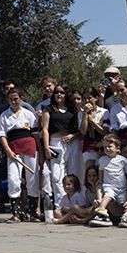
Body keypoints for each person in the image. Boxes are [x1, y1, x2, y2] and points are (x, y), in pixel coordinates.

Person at [0, 86, 41, 222]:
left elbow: (35, 133)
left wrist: (41, 152)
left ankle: (33, 212)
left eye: (16, 99)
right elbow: (2, 135)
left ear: (21, 99)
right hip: (13, 148)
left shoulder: (28, 114)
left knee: (32, 178)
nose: (13, 102)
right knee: (13, 179)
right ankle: (16, 212)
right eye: (10, 100)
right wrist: (8, 151)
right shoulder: (4, 115)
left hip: (29, 146)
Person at [41, 87, 81, 222]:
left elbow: (80, 130)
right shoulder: (48, 109)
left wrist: (73, 136)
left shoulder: (73, 109)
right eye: (57, 92)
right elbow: (45, 129)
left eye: (62, 92)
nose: (59, 94)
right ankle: (61, 207)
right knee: (57, 177)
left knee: (74, 174)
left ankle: (77, 206)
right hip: (55, 144)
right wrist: (46, 147)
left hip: (72, 142)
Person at [90, 134, 127, 227]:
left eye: (110, 146)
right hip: (109, 185)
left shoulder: (123, 160)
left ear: (117, 148)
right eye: (105, 147)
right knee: (108, 196)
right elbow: (101, 171)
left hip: (122, 188)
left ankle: (125, 217)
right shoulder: (102, 160)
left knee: (123, 203)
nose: (107, 149)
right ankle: (102, 211)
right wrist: (100, 180)